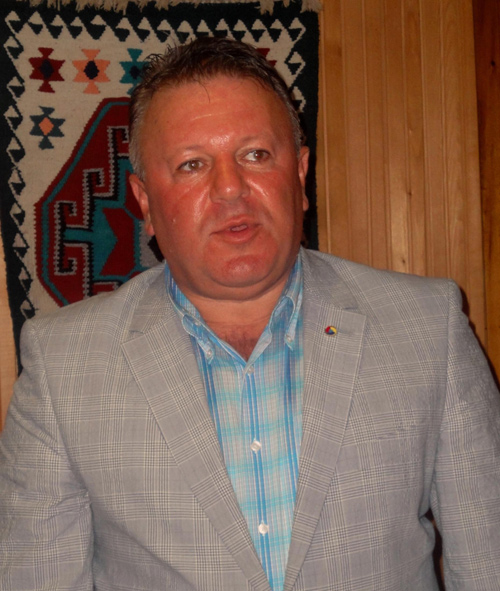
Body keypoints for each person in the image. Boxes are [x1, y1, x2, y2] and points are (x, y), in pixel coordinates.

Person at [1, 36, 499, 591]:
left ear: (300, 175)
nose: (230, 188)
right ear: (144, 203)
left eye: (256, 154)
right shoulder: (63, 366)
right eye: (192, 165)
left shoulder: (428, 328)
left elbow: (490, 561)